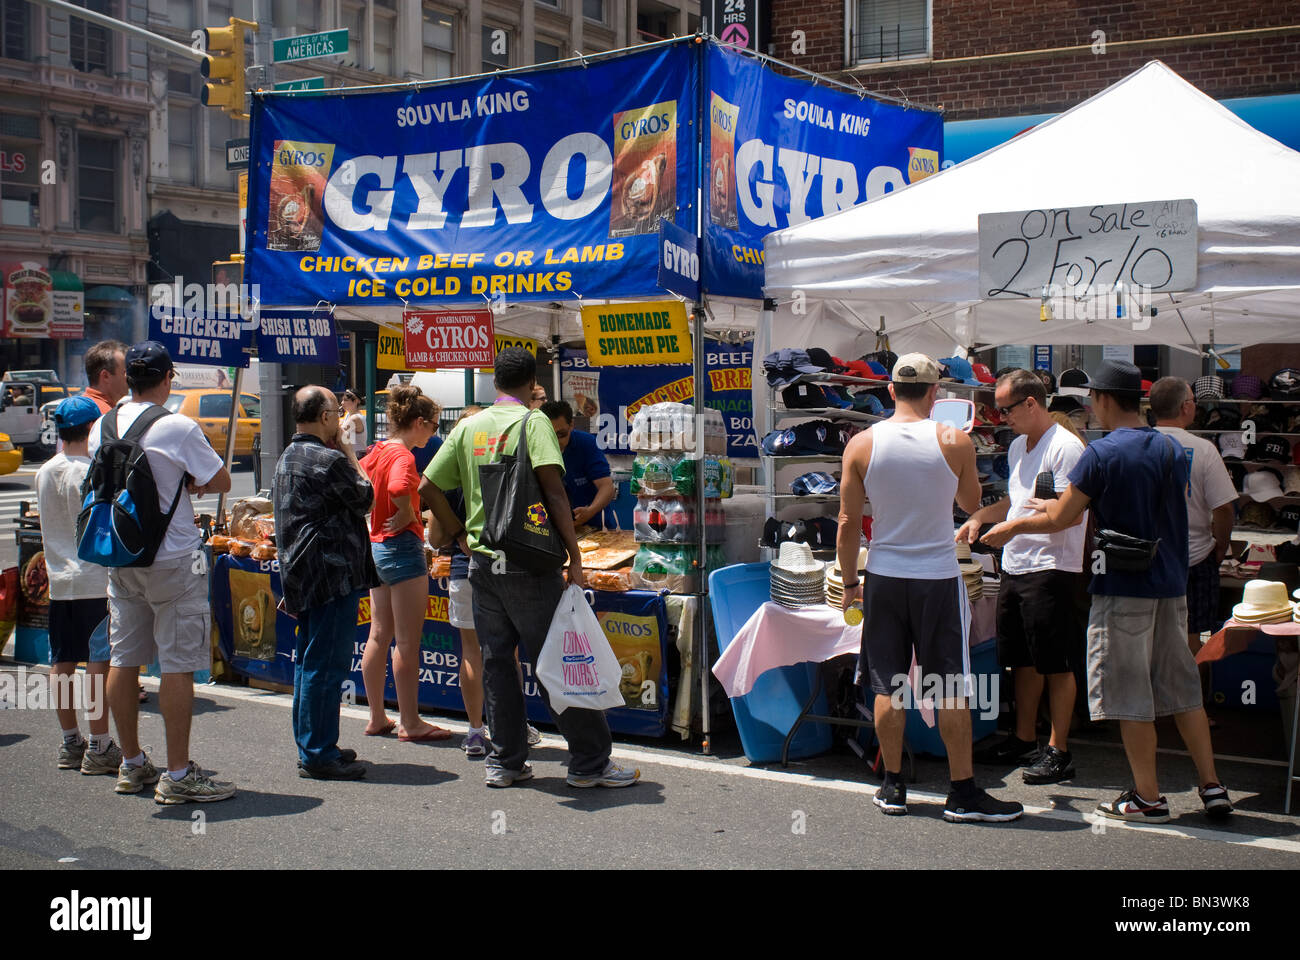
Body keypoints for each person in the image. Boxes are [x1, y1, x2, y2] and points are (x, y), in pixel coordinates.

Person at [982, 359, 1231, 822]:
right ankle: (1212, 786)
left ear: (1100, 399)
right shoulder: (1171, 449)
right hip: (1172, 583)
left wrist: (1011, 526)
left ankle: (1148, 797)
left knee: (1130, 697)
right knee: (1183, 692)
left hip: (1123, 586)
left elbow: (1062, 517)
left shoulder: (1101, 453)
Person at [419, 347, 639, 789]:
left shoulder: (468, 426)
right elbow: (555, 495)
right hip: (530, 563)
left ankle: (505, 761)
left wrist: (459, 533)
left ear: (495, 380)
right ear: (531, 379)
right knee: (559, 658)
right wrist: (575, 557)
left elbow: (427, 486)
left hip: (483, 564)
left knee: (497, 664)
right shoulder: (533, 422)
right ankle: (590, 763)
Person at [839, 353, 1023, 822]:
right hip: (937, 576)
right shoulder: (953, 438)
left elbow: (846, 521)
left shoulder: (861, 443)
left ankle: (893, 785)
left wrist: (849, 582)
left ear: (890, 390)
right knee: (950, 684)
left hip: (883, 573)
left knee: (887, 683)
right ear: (934, 392)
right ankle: (962, 791)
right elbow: (970, 502)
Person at [87, 341, 235, 804]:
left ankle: (131, 763)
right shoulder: (176, 426)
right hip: (174, 559)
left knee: (123, 657)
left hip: (121, 554)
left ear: (127, 378)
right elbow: (221, 480)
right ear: (168, 378)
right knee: (176, 664)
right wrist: (190, 480)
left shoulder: (101, 426)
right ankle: (177, 773)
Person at [957, 370, 1088, 785]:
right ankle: (1024, 737)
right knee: (1022, 661)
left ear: (1031, 403)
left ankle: (1059, 750)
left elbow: (1071, 513)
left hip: (1052, 569)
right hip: (1016, 565)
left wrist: (1013, 529)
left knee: (1057, 664)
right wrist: (979, 517)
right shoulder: (1017, 446)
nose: (1001, 417)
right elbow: (1015, 503)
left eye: (1006, 409)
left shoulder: (1067, 447)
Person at [273, 386, 380, 779]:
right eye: (336, 412)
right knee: (326, 664)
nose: (340, 419)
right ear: (324, 417)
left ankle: (315, 745)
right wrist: (350, 452)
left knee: (310, 662)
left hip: (303, 573)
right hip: (330, 573)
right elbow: (366, 496)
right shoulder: (327, 459)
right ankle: (318, 753)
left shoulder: (289, 455)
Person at [358, 385, 451, 742]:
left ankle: (377, 716)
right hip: (400, 546)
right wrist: (406, 511)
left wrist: (378, 512)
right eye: (433, 425)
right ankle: (410, 722)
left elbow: (361, 481)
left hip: (377, 546)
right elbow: (398, 487)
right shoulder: (403, 456)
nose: (434, 433)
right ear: (419, 422)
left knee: (379, 634)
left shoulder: (378, 449)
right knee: (408, 642)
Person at [38, 396, 118, 774]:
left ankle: (71, 741)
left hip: (60, 580)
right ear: (91, 429)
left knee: (62, 661)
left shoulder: (44, 470)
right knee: (97, 663)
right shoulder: (88, 471)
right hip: (93, 580)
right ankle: (100, 744)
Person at [1149, 377, 1236, 654]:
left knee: (1150, 635)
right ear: (1186, 407)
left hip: (1147, 557)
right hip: (1195, 556)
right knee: (1191, 635)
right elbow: (1223, 507)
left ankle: (1153, 696)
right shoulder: (1204, 449)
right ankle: (1191, 696)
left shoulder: (1138, 444)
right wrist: (1221, 545)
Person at [541, 400, 615, 530]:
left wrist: (590, 511)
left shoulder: (586, 443)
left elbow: (606, 487)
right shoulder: (535, 447)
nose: (556, 441)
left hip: (595, 525)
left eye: (561, 435)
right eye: (549, 435)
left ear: (571, 425)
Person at [82, 340, 128, 413]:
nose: (130, 376)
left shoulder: (87, 406)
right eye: (125, 372)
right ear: (105, 376)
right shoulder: (105, 414)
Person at [340, 389, 367, 454]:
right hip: (351, 454)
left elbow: (339, 432)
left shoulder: (355, 418)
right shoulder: (348, 415)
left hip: (357, 456)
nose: (342, 403)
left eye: (345, 400)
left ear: (356, 401)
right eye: (342, 400)